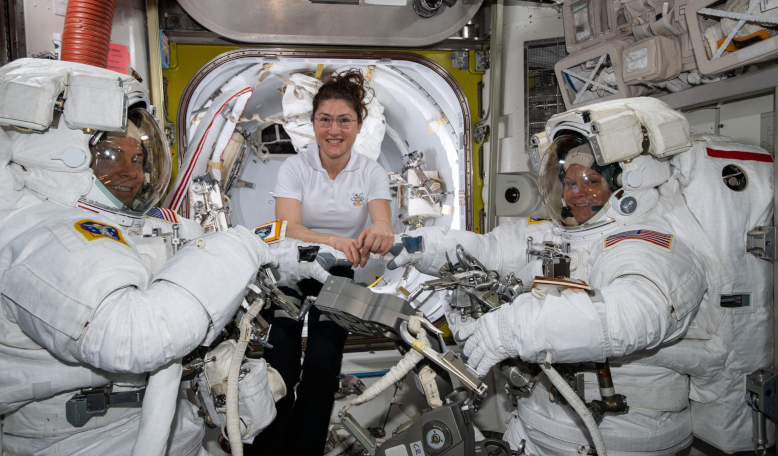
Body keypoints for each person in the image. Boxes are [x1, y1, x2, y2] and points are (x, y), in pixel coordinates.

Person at [387, 98, 759, 455]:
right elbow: (491, 251)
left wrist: (515, 328)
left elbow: (636, 314)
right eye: (568, 181)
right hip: (537, 426)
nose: (575, 193)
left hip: (618, 437)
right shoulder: (557, 233)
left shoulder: (648, 240)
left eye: (591, 181)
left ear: (625, 185)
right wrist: (424, 245)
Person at [0, 58, 334, 455]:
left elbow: (201, 271)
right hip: (86, 442)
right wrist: (245, 245)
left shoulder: (145, 226)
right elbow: (137, 335)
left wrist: (282, 262)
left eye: (137, 158)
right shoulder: (38, 236)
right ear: (60, 155)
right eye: (109, 154)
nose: (131, 172)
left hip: (171, 430)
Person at [247, 69, 394, 456]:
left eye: (344, 120)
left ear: (358, 125)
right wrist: (332, 239)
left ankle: (306, 449)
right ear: (313, 123)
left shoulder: (371, 172)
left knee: (322, 365)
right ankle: (269, 449)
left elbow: (382, 219)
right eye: (325, 119)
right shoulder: (295, 168)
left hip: (338, 273)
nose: (334, 129)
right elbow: (287, 227)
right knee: (280, 364)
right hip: (291, 270)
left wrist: (380, 232)